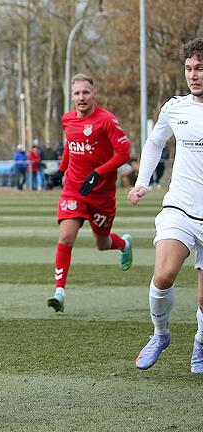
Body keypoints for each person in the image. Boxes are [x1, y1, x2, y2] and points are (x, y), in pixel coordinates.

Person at [129, 38, 203, 373]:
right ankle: (160, 334)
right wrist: (143, 181)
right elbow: (155, 140)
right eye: (189, 68)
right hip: (180, 206)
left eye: (199, 68)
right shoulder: (175, 107)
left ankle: (200, 342)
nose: (193, 75)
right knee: (163, 274)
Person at [46, 73, 133, 313]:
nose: (81, 97)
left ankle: (124, 244)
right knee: (66, 237)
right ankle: (59, 292)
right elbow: (69, 145)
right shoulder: (67, 120)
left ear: (94, 94)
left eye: (86, 92)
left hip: (102, 194)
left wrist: (99, 173)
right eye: (77, 93)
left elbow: (124, 153)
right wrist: (61, 170)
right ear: (71, 97)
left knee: (102, 243)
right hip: (74, 189)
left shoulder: (107, 120)